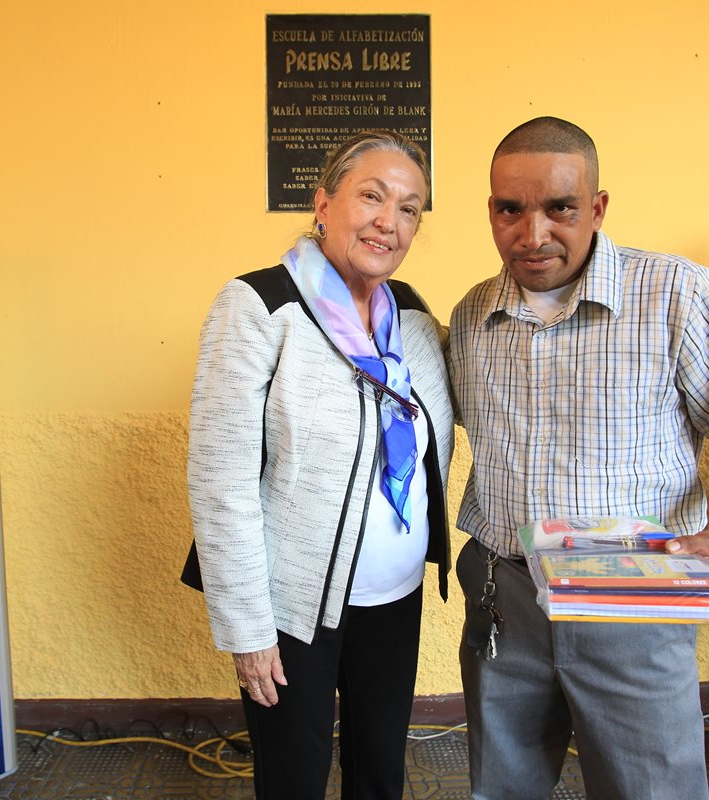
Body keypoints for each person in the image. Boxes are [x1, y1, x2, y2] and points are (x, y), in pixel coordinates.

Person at [448, 116, 709, 800]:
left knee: (649, 787)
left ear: (597, 208)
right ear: (491, 212)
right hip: (505, 599)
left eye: (559, 208)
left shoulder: (675, 294)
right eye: (511, 209)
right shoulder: (472, 316)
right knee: (503, 787)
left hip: (637, 600)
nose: (533, 232)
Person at [184, 129, 454, 800]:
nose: (388, 221)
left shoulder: (414, 317)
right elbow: (221, 479)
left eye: (409, 208)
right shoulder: (259, 306)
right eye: (371, 196)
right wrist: (247, 630)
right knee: (294, 779)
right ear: (323, 203)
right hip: (292, 605)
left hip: (395, 597)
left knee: (380, 775)